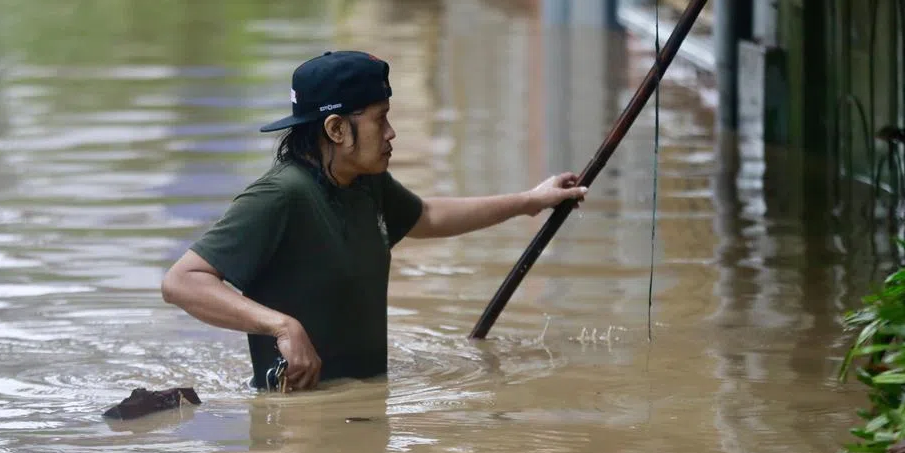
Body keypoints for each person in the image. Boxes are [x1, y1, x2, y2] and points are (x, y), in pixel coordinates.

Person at [161, 50, 587, 392]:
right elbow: (182, 281)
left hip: (364, 403)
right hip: (300, 424)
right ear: (336, 129)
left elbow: (428, 216)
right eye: (380, 119)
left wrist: (531, 200)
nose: (391, 133)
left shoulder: (366, 184)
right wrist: (282, 326)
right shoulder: (282, 195)